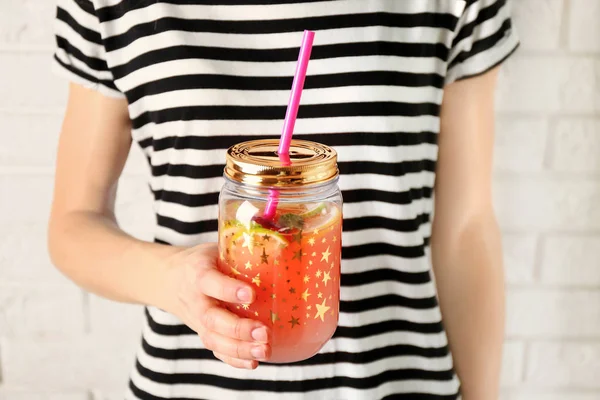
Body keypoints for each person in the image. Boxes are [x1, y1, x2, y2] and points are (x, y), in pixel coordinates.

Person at [48, 1, 519, 399]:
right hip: (190, 385)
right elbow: (74, 223)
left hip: (398, 380)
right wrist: (174, 280)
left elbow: (466, 227)